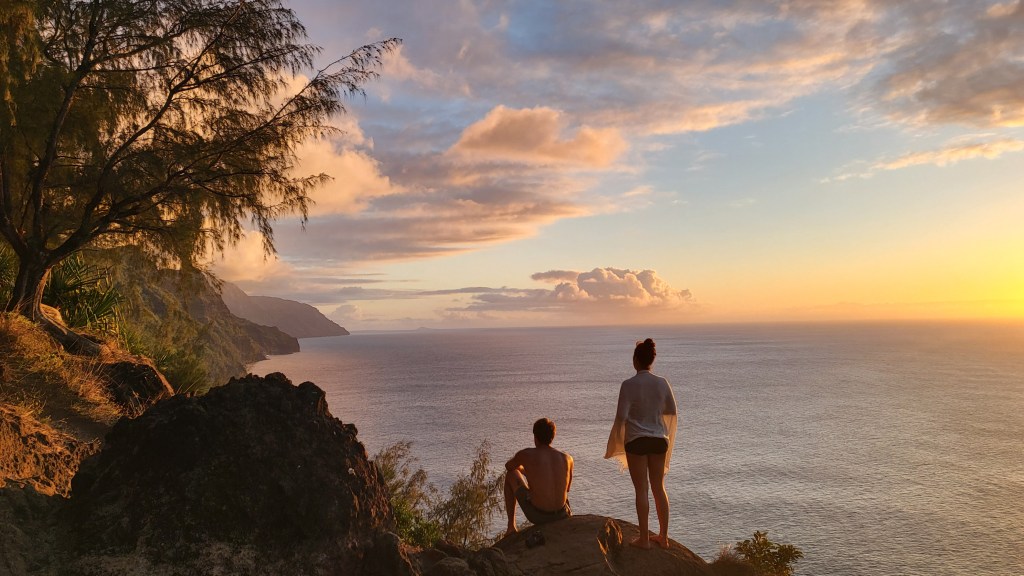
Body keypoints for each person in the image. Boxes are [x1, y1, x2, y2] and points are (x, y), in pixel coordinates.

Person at [604, 338, 678, 549]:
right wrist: (654, 417)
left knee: (641, 490)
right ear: (651, 360)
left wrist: (617, 439)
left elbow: (621, 416)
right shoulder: (662, 383)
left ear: (636, 359)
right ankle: (663, 537)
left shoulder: (628, 385)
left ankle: (644, 539)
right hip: (659, 441)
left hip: (636, 441)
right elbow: (671, 412)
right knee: (658, 487)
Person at [504, 417, 574, 535]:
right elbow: (567, 488)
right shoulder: (567, 458)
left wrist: (523, 469)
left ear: (535, 437)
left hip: (539, 516)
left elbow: (509, 466)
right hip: (562, 514)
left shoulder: (526, 454)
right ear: (552, 437)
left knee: (511, 474)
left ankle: (511, 527)